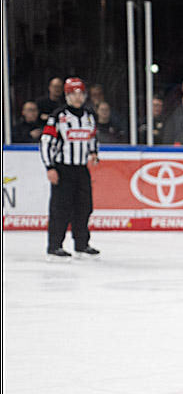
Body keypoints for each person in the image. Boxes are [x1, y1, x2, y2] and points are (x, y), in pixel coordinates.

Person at [39, 77, 100, 261]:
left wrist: (94, 153)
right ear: (67, 95)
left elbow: (92, 138)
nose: (77, 97)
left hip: (82, 169)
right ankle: (54, 246)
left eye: (80, 93)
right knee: (61, 208)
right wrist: (50, 167)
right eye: (73, 94)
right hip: (63, 169)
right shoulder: (59, 116)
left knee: (84, 207)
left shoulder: (89, 116)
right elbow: (45, 143)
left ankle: (81, 244)